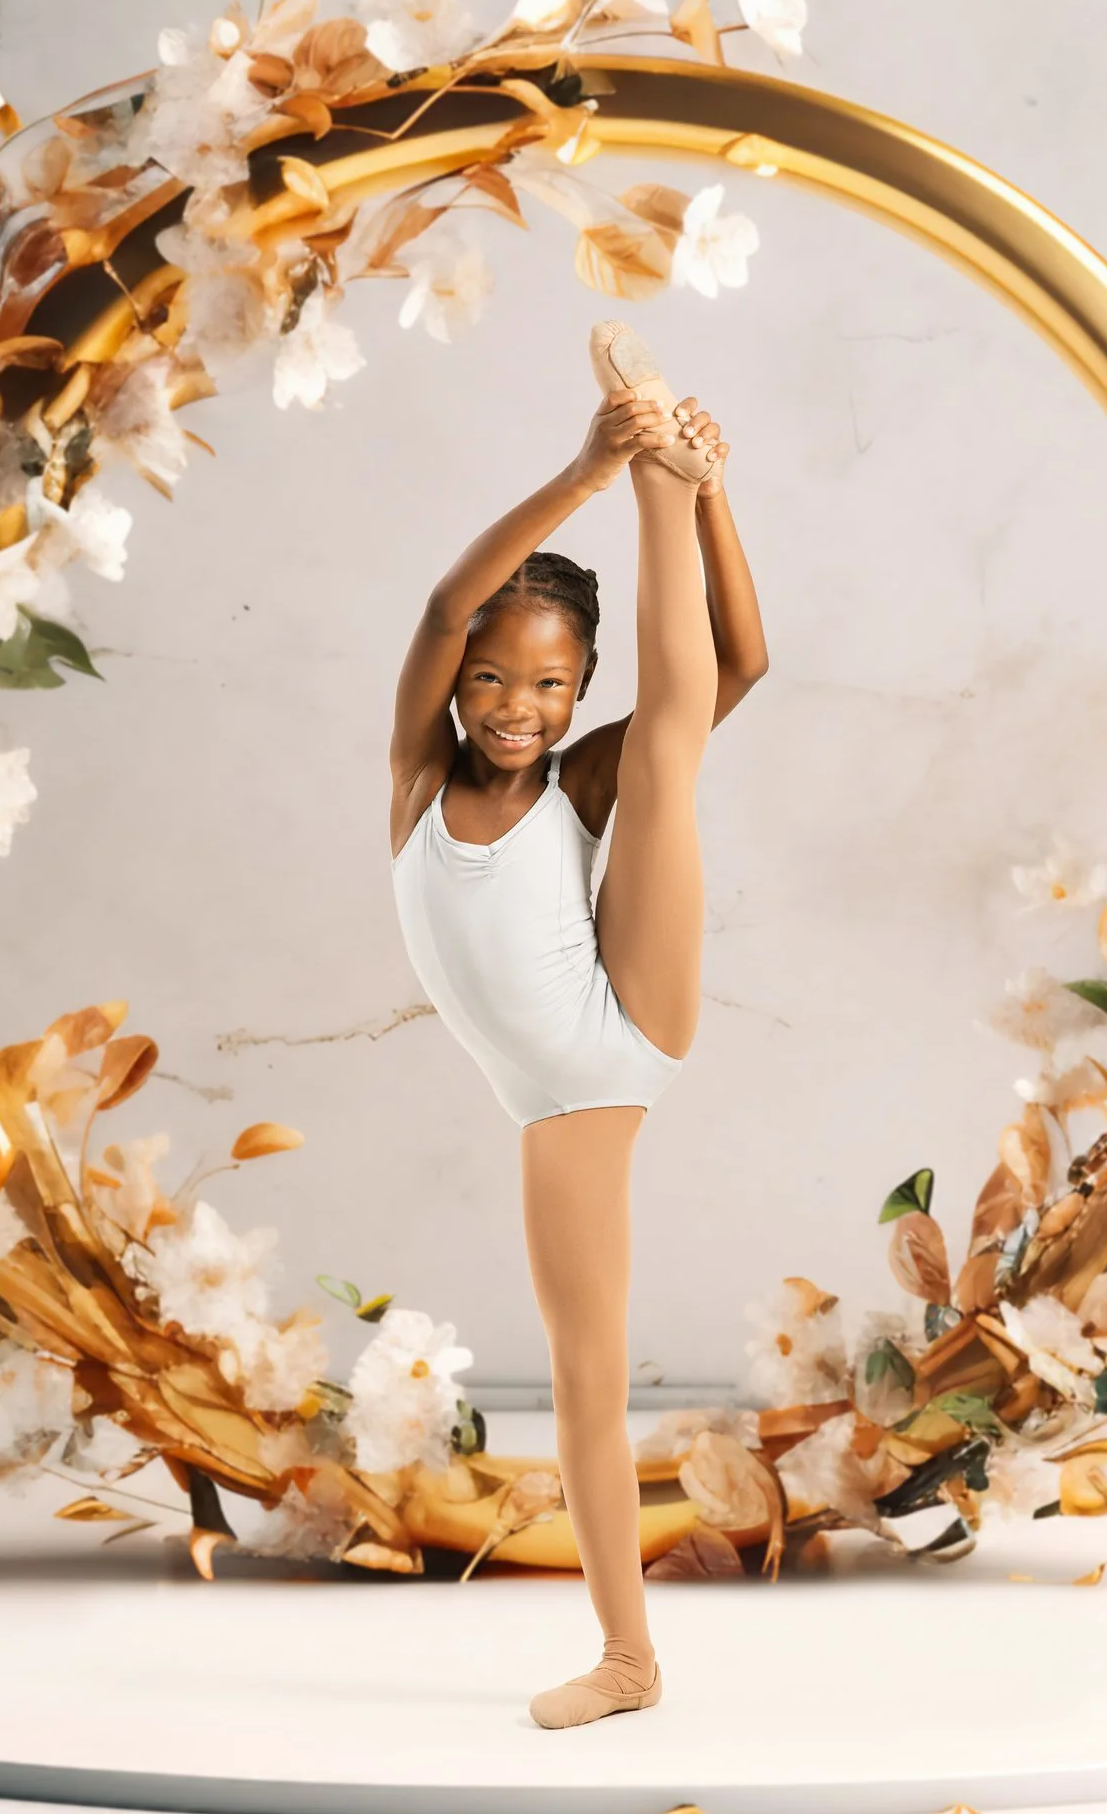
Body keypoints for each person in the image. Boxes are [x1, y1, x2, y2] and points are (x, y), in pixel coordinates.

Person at [387, 324, 769, 1728]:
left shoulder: (583, 776)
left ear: (579, 684)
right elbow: (440, 605)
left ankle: (670, 470)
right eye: (493, 681)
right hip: (550, 1105)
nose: (515, 708)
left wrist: (698, 487)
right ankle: (633, 1660)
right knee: (583, 1379)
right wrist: (587, 466)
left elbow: (744, 659)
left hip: (624, 1029)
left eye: (551, 685)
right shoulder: (415, 783)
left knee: (670, 761)